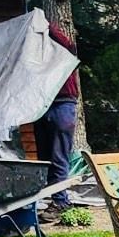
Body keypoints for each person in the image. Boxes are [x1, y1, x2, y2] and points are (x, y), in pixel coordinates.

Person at [32, 19, 79, 211]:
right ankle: (49, 198)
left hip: (63, 105)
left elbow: (64, 41)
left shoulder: (65, 51)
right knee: (44, 157)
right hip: (42, 106)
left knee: (58, 155)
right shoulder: (36, 57)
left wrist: (43, 24)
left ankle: (60, 201)